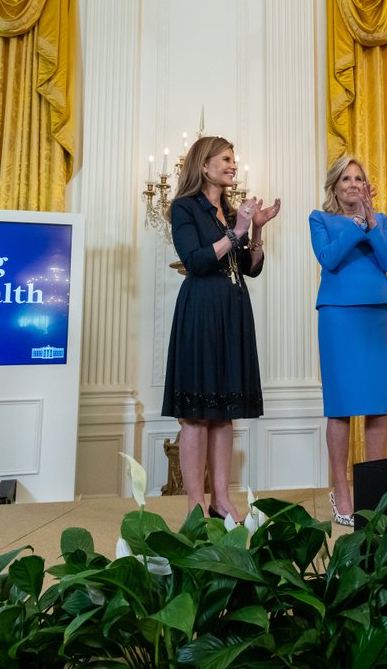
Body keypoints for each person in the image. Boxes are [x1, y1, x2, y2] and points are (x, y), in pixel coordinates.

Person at [162, 135, 281, 521]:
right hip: (200, 310)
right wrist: (236, 232)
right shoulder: (183, 207)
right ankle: (195, 502)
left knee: (224, 410)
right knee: (197, 411)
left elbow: (251, 267)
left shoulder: (230, 212)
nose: (233, 165)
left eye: (235, 159)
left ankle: (222, 498)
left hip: (231, 311)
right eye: (227, 159)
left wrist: (256, 230)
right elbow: (195, 260)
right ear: (205, 165)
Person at [309, 155, 387, 527]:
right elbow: (328, 259)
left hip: (377, 313)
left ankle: (374, 493)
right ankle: (342, 491)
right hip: (339, 316)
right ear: (334, 185)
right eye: (346, 178)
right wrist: (356, 224)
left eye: (359, 178)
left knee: (378, 405)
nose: (352, 184)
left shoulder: (382, 221)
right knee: (341, 406)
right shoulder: (321, 219)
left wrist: (372, 221)